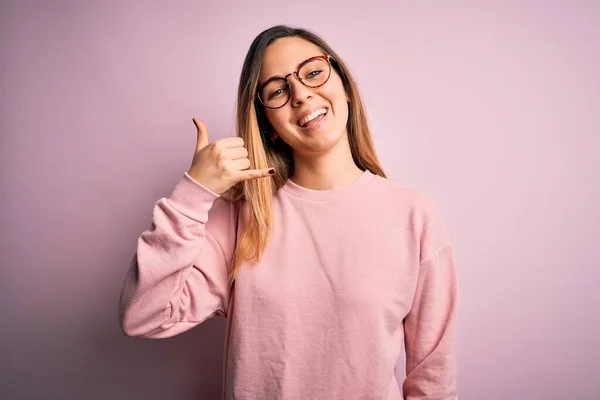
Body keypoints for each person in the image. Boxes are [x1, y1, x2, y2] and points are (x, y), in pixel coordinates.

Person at [118, 24, 459, 400]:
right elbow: (143, 317)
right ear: (269, 127)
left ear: (343, 86)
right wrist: (193, 195)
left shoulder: (414, 215)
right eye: (277, 91)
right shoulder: (240, 218)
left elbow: (433, 379)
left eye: (313, 72)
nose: (300, 94)